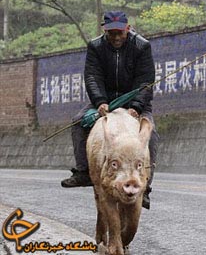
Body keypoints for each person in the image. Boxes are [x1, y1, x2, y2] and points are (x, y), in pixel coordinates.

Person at [61, 11, 159, 210]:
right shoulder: (95, 46)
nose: (116, 37)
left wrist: (136, 107)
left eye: (119, 33)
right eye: (111, 33)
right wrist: (100, 101)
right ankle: (83, 172)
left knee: (152, 135)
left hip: (134, 102)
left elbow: (146, 81)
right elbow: (92, 77)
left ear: (127, 29)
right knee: (79, 122)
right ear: (104, 31)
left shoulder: (142, 46)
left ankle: (145, 186)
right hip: (107, 102)